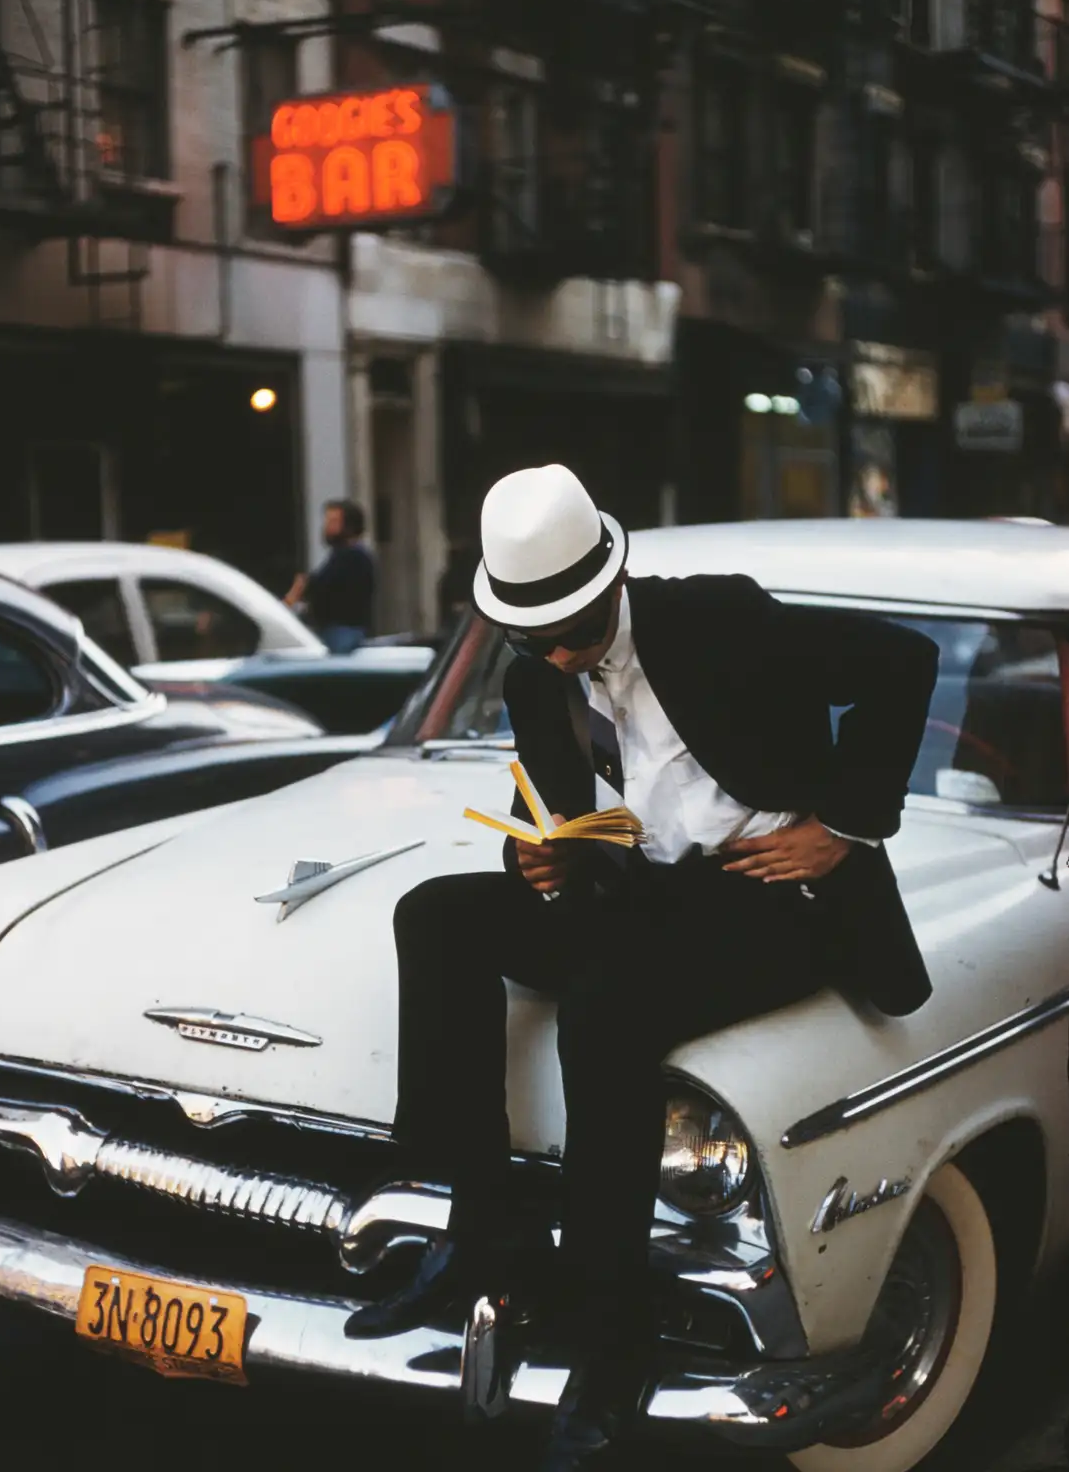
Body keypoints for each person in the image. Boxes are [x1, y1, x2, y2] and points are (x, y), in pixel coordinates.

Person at [345, 464, 939, 1471]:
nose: (564, 652)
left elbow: (902, 661)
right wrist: (535, 858)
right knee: (435, 915)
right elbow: (557, 809)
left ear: (610, 580)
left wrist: (841, 827)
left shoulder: (721, 618)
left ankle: (610, 1341)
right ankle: (475, 1231)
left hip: (771, 895)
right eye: (539, 636)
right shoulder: (537, 672)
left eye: (576, 627)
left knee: (605, 1013)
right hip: (637, 893)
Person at [284, 498, 374, 654]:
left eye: (333, 521)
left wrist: (303, 588)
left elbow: (326, 589)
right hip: (335, 632)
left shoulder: (353, 556)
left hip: (343, 633)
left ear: (349, 525)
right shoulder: (339, 555)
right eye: (327, 521)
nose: (327, 527)